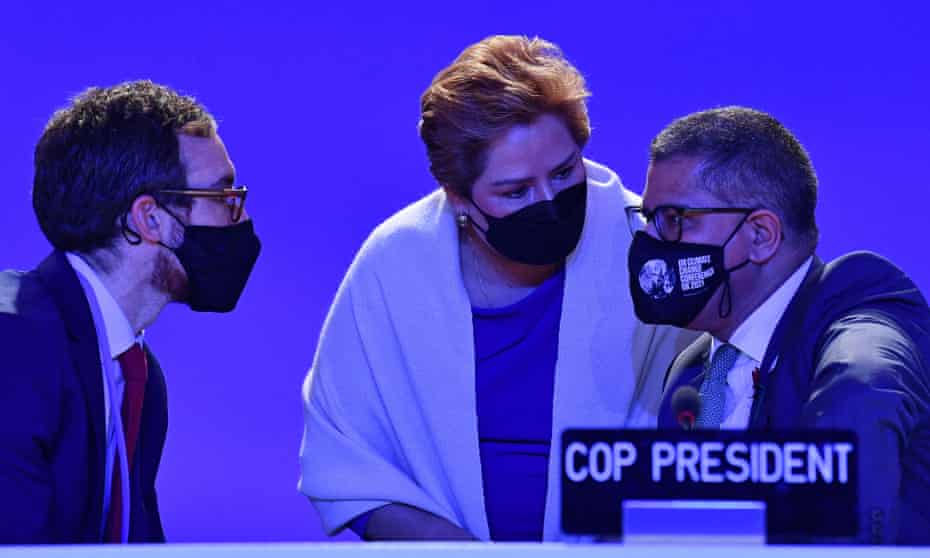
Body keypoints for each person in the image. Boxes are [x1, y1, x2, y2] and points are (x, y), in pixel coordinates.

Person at [298, 35, 693, 542]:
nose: (549, 201)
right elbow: (345, 463)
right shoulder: (393, 264)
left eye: (564, 172)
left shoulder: (646, 247)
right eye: (516, 191)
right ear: (459, 199)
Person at [626, 106, 930, 544]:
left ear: (760, 235)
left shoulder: (857, 316)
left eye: (674, 220)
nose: (652, 242)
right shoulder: (690, 376)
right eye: (648, 219)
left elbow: (864, 384)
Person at [0, 81, 261, 543]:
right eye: (222, 198)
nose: (238, 219)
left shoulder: (139, 377)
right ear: (151, 219)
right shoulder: (13, 342)